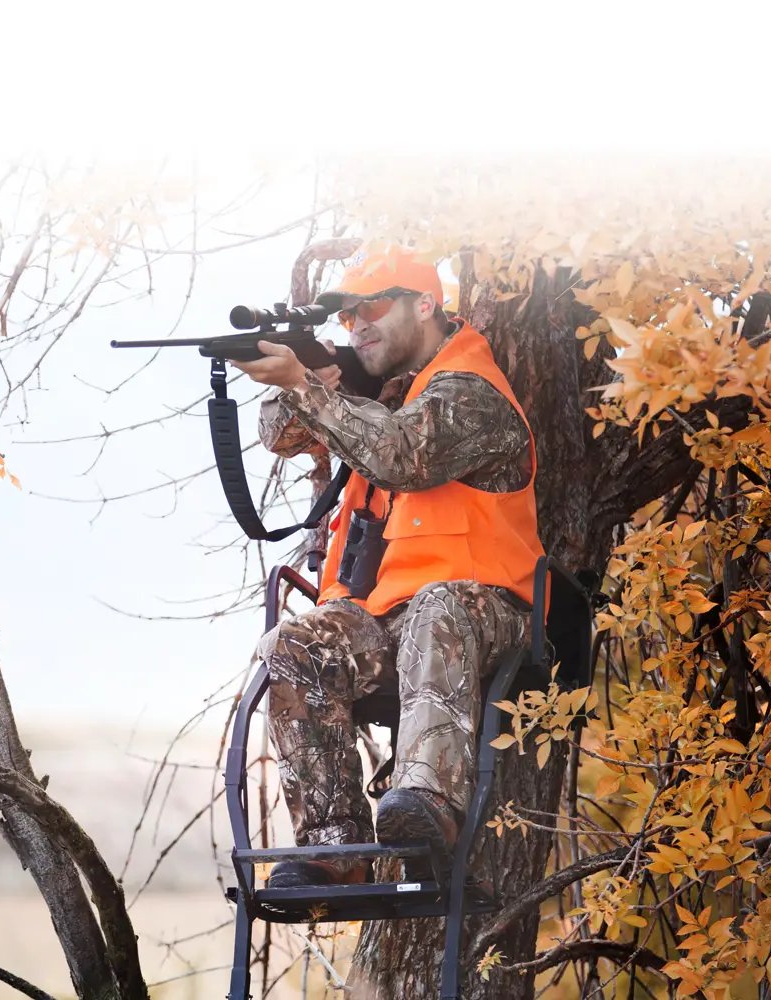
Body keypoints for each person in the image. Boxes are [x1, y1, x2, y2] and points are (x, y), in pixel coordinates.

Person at [232, 244, 543, 888]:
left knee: (437, 605)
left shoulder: (470, 390)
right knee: (292, 644)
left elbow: (403, 455)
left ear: (425, 304)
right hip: (394, 622)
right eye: (346, 318)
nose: (357, 326)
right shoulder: (386, 393)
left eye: (371, 307)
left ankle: (426, 805)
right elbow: (278, 436)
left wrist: (303, 383)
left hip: (489, 616)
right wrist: (314, 376)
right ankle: (333, 851)